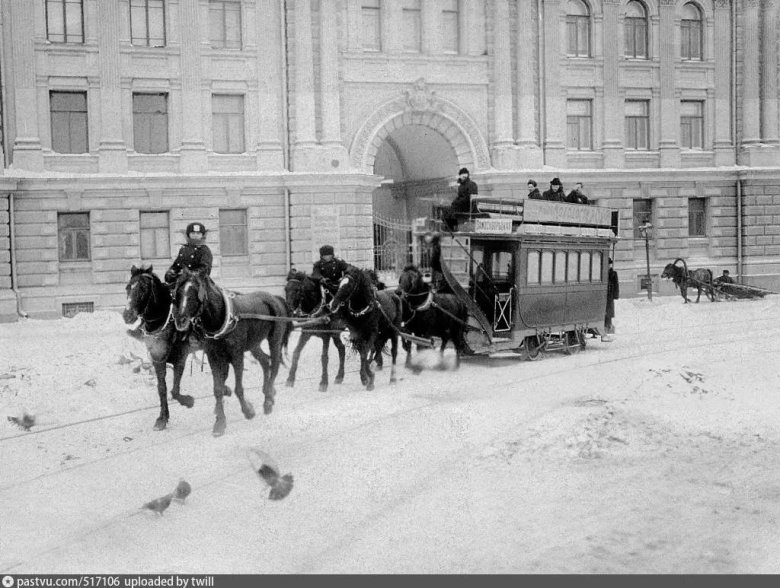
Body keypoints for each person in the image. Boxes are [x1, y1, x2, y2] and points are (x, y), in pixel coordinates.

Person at [164, 222, 213, 287]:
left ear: (202, 235)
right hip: (182, 279)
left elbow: (205, 268)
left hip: (199, 281)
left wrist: (190, 274)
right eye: (193, 233)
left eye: (198, 233)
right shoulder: (184, 248)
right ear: (188, 234)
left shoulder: (204, 249)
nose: (195, 235)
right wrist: (171, 272)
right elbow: (177, 264)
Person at [602, 257, 619, 342]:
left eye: (609, 264)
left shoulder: (613, 273)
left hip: (609, 296)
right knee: (604, 313)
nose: (608, 266)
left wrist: (615, 295)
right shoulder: (603, 272)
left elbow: (616, 285)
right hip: (604, 296)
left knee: (608, 314)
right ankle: (605, 331)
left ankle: (608, 331)